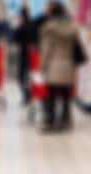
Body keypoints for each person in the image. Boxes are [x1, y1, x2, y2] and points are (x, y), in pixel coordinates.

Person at [38, 1, 80, 132]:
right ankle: (66, 120)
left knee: (51, 93)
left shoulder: (49, 28)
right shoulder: (73, 27)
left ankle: (51, 121)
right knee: (66, 93)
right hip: (68, 64)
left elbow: (47, 49)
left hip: (53, 64)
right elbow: (77, 48)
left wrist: (42, 66)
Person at [10, 6, 40, 105]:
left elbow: (13, 39)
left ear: (21, 15)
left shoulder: (21, 26)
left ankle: (26, 95)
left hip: (23, 54)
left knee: (21, 76)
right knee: (33, 75)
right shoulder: (33, 25)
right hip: (34, 53)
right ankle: (32, 94)